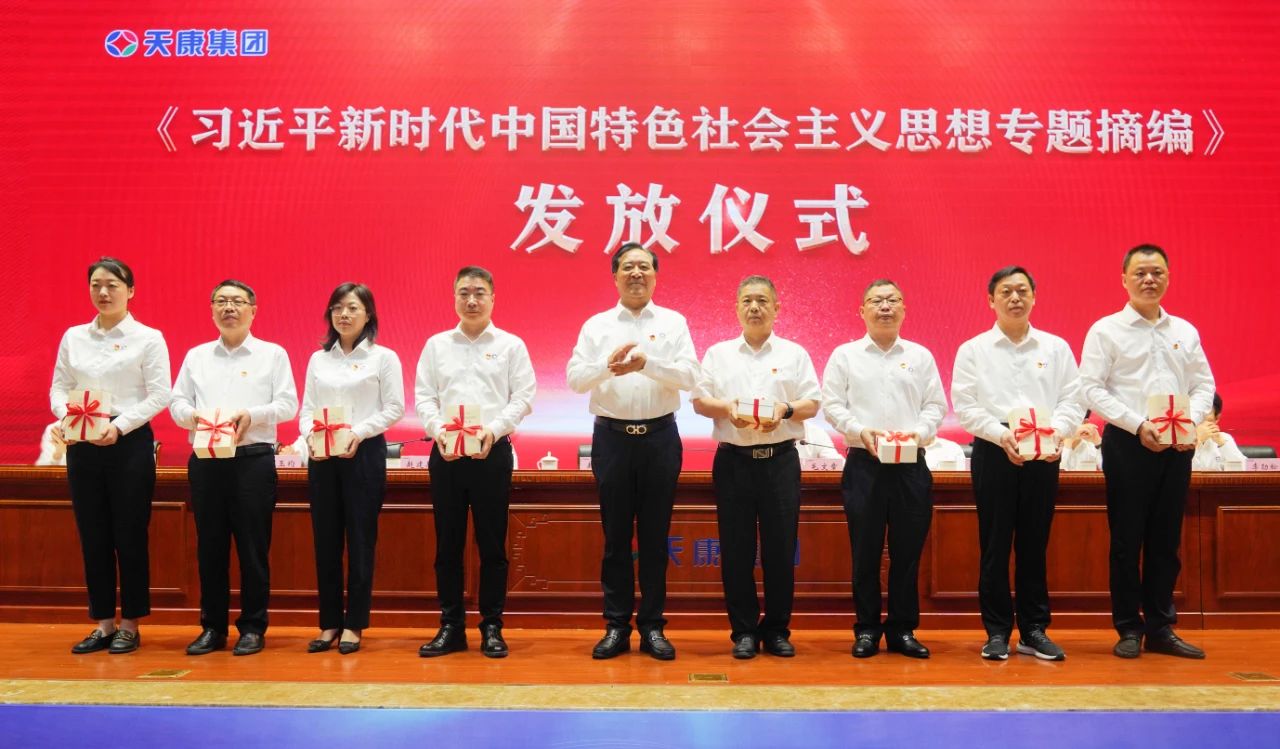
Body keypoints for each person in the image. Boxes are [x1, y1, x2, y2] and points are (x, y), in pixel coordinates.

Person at [1080, 244, 1214, 659]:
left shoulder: (1184, 331)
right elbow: (1091, 388)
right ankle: (1128, 628)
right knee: (1127, 539)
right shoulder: (1106, 330)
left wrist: (1190, 420)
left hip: (1177, 442)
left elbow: (1203, 384)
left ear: (1169, 277)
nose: (1149, 279)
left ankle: (1160, 627)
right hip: (1128, 442)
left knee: (1166, 539)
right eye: (1140, 273)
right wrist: (1137, 424)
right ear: (1124, 279)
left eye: (1157, 272)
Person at [567, 242, 698, 660]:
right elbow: (574, 379)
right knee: (616, 538)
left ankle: (653, 626)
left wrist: (647, 365)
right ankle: (616, 625)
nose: (636, 273)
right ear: (615, 276)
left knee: (656, 538)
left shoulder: (674, 322)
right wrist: (608, 366)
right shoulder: (597, 325)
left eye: (644, 266)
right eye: (628, 267)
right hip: (612, 440)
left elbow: (690, 377)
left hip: (660, 438)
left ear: (656, 276)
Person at [951, 265, 1084, 661]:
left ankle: (1033, 630)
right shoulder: (974, 349)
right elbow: (966, 406)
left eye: (1022, 291)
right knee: (994, 545)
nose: (1015, 298)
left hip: (1044, 450)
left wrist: (1058, 432)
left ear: (1034, 297)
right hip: (995, 449)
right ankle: (996, 632)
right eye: (1006, 291)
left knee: (1034, 544)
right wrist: (1001, 434)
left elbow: (1073, 399)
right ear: (990, 300)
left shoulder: (1055, 348)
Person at [691, 276, 821, 659]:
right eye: (747, 300)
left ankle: (777, 629)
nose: (754, 307)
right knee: (736, 550)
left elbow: (812, 403)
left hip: (780, 461)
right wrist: (727, 409)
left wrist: (785, 410)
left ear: (777, 308)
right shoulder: (718, 354)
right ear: (736, 308)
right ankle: (744, 631)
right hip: (734, 461)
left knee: (781, 550)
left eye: (762, 301)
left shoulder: (794, 354)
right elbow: (699, 401)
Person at [50, 257, 171, 655]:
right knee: (93, 532)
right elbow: (59, 386)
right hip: (82, 439)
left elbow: (160, 394)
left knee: (129, 533)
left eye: (113, 285)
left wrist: (119, 427)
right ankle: (102, 622)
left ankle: (131, 624)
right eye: (96, 285)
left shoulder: (148, 338)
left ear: (130, 291)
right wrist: (67, 416)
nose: (103, 292)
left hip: (129, 442)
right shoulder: (74, 336)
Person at [170, 280, 298, 656]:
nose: (229, 308)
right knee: (209, 548)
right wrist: (193, 416)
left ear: (253, 311)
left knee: (253, 548)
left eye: (238, 302)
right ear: (211, 309)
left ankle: (253, 627)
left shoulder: (272, 354)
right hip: (206, 459)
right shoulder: (196, 356)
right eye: (222, 301)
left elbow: (288, 404)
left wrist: (251, 415)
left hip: (253, 460)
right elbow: (177, 402)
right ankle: (212, 627)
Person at [822, 279, 946, 659]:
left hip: (910, 465)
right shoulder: (845, 356)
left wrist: (918, 434)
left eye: (893, 300)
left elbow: (935, 406)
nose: (885, 307)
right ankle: (866, 629)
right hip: (865, 464)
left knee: (907, 554)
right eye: (877, 301)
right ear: (862, 310)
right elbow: (832, 405)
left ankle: (902, 630)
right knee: (865, 552)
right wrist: (859, 430)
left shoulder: (921, 356)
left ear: (904, 309)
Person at [416, 267, 535, 658]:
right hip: (446, 452)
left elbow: (523, 397)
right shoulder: (436, 345)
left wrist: (494, 430)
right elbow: (424, 397)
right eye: (464, 292)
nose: (471, 300)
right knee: (447, 546)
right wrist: (439, 431)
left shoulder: (511, 345)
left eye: (479, 293)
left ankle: (492, 626)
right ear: (454, 297)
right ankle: (450, 626)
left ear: (492, 298)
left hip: (492, 452)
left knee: (492, 545)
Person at [299, 283, 404, 654]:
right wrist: (308, 437)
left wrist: (357, 433)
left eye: (353, 308)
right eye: (337, 308)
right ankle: (329, 623)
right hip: (323, 456)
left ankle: (354, 624)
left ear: (368, 314)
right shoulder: (318, 359)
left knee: (360, 540)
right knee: (325, 541)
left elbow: (395, 408)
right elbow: (307, 408)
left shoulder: (383, 358)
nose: (344, 314)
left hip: (363, 453)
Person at [1193, 393, 1246, 471]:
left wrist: (1222, 444)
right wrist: (1197, 442)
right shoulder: (1179, 442)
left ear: (1217, 418)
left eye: (1205, 416)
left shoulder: (1225, 438)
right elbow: (1181, 471)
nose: (1201, 426)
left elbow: (1244, 469)